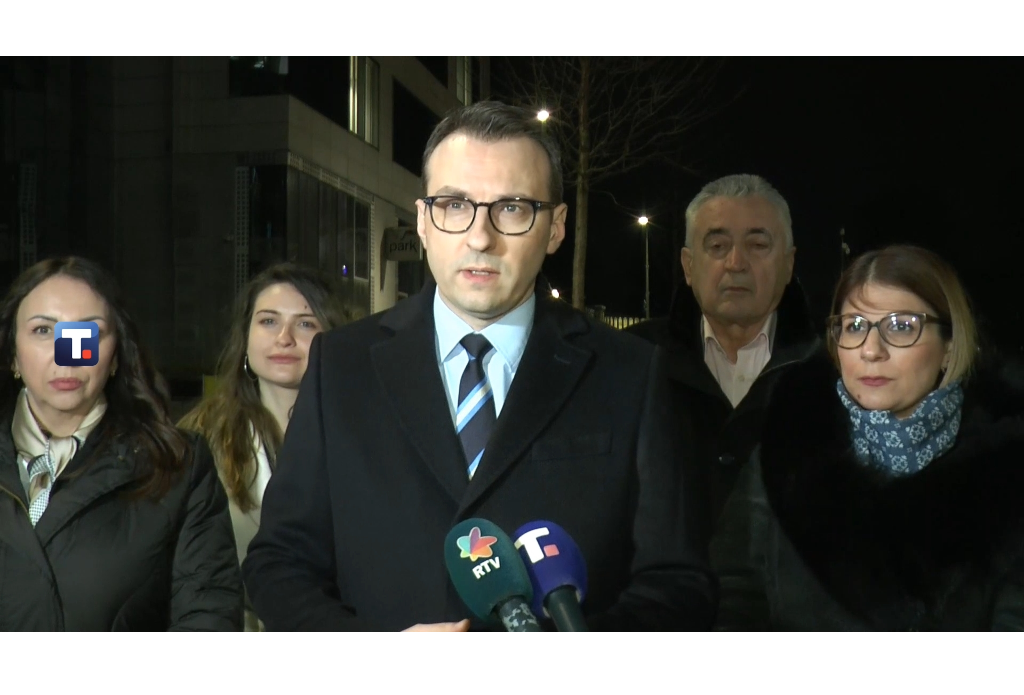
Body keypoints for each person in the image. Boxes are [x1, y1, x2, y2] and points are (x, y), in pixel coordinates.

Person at [242, 100, 716, 632]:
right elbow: (277, 564)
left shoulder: (629, 373)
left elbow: (678, 584)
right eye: (453, 205)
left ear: (556, 228)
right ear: (423, 221)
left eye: (512, 208)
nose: (480, 237)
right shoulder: (340, 366)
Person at [712, 244, 1024, 631]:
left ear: (949, 346)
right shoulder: (783, 455)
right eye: (855, 326)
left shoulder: (1007, 474)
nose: (871, 350)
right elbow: (734, 593)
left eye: (901, 326)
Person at [0, 257, 243, 631]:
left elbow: (208, 613)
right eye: (44, 330)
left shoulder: (178, 467)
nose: (68, 354)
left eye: (87, 333)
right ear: (13, 354)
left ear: (116, 355)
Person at [627, 174, 820, 544]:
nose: (736, 263)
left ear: (788, 264)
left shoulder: (831, 374)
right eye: (717, 246)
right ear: (688, 265)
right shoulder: (632, 362)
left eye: (758, 245)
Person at [179, 262, 349, 631]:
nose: (284, 338)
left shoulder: (364, 433)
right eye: (268, 321)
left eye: (306, 324)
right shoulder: (197, 439)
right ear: (245, 338)